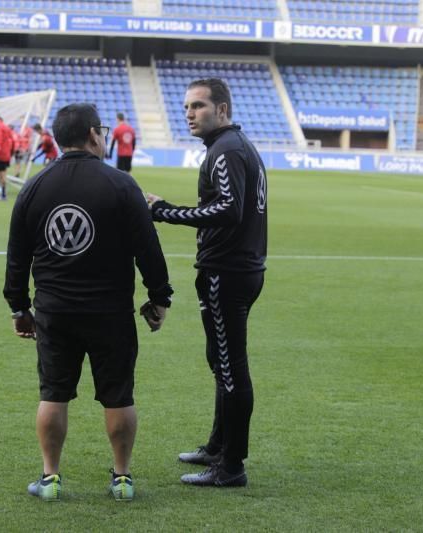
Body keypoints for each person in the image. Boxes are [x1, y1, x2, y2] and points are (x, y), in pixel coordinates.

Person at [3, 103, 173, 503]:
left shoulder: (35, 187)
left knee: (53, 393)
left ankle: (50, 479)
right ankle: (122, 478)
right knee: (118, 396)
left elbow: (17, 257)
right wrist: (159, 297)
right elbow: (149, 249)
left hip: (54, 312)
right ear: (95, 135)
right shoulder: (122, 185)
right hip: (110, 312)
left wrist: (19, 307)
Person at [146, 78, 267, 488]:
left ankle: (230, 466)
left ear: (223, 109)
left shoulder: (226, 150)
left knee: (231, 368)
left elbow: (228, 210)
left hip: (226, 272)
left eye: (198, 106)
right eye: (186, 108)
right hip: (237, 269)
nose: (189, 114)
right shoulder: (233, 147)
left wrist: (162, 211)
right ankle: (218, 446)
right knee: (222, 363)